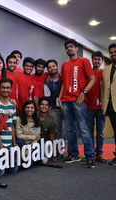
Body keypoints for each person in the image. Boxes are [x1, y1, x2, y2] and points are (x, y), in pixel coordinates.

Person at [58, 39, 95, 168]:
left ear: (76, 48)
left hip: (79, 101)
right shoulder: (64, 65)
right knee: (69, 129)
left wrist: (83, 93)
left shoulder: (84, 61)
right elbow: (63, 83)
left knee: (83, 129)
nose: (69, 49)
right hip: (66, 101)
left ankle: (90, 156)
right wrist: (60, 97)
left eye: (71, 47)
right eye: (67, 47)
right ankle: (74, 154)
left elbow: (92, 79)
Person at [0, 78, 18, 176]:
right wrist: (1, 148)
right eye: (3, 87)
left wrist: (14, 144)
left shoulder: (12, 105)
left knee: (13, 169)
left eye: (8, 88)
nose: (5, 90)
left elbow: (12, 126)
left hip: (9, 145)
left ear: (11, 89)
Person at [87, 51, 106, 163]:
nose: (97, 61)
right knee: (89, 132)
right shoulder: (88, 73)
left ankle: (99, 154)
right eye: (95, 59)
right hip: (88, 107)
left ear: (101, 61)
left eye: (99, 59)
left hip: (100, 108)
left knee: (100, 133)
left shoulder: (104, 73)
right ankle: (90, 153)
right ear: (92, 60)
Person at [102, 43, 116, 165]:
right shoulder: (106, 70)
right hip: (111, 107)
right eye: (111, 52)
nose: (113, 54)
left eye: (115, 51)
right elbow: (104, 89)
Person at [44, 59, 64, 140]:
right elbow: (47, 99)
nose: (52, 68)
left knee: (69, 128)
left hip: (67, 106)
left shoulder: (63, 77)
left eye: (53, 66)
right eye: (49, 67)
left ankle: (71, 149)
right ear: (47, 70)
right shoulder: (47, 83)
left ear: (57, 66)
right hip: (55, 108)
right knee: (57, 129)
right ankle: (58, 149)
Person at [37, 97, 56, 162]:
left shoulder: (51, 121)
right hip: (33, 141)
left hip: (44, 143)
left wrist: (54, 154)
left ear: (49, 107)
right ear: (39, 106)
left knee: (44, 161)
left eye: (46, 105)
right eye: (42, 104)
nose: (44, 106)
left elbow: (52, 139)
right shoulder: (34, 115)